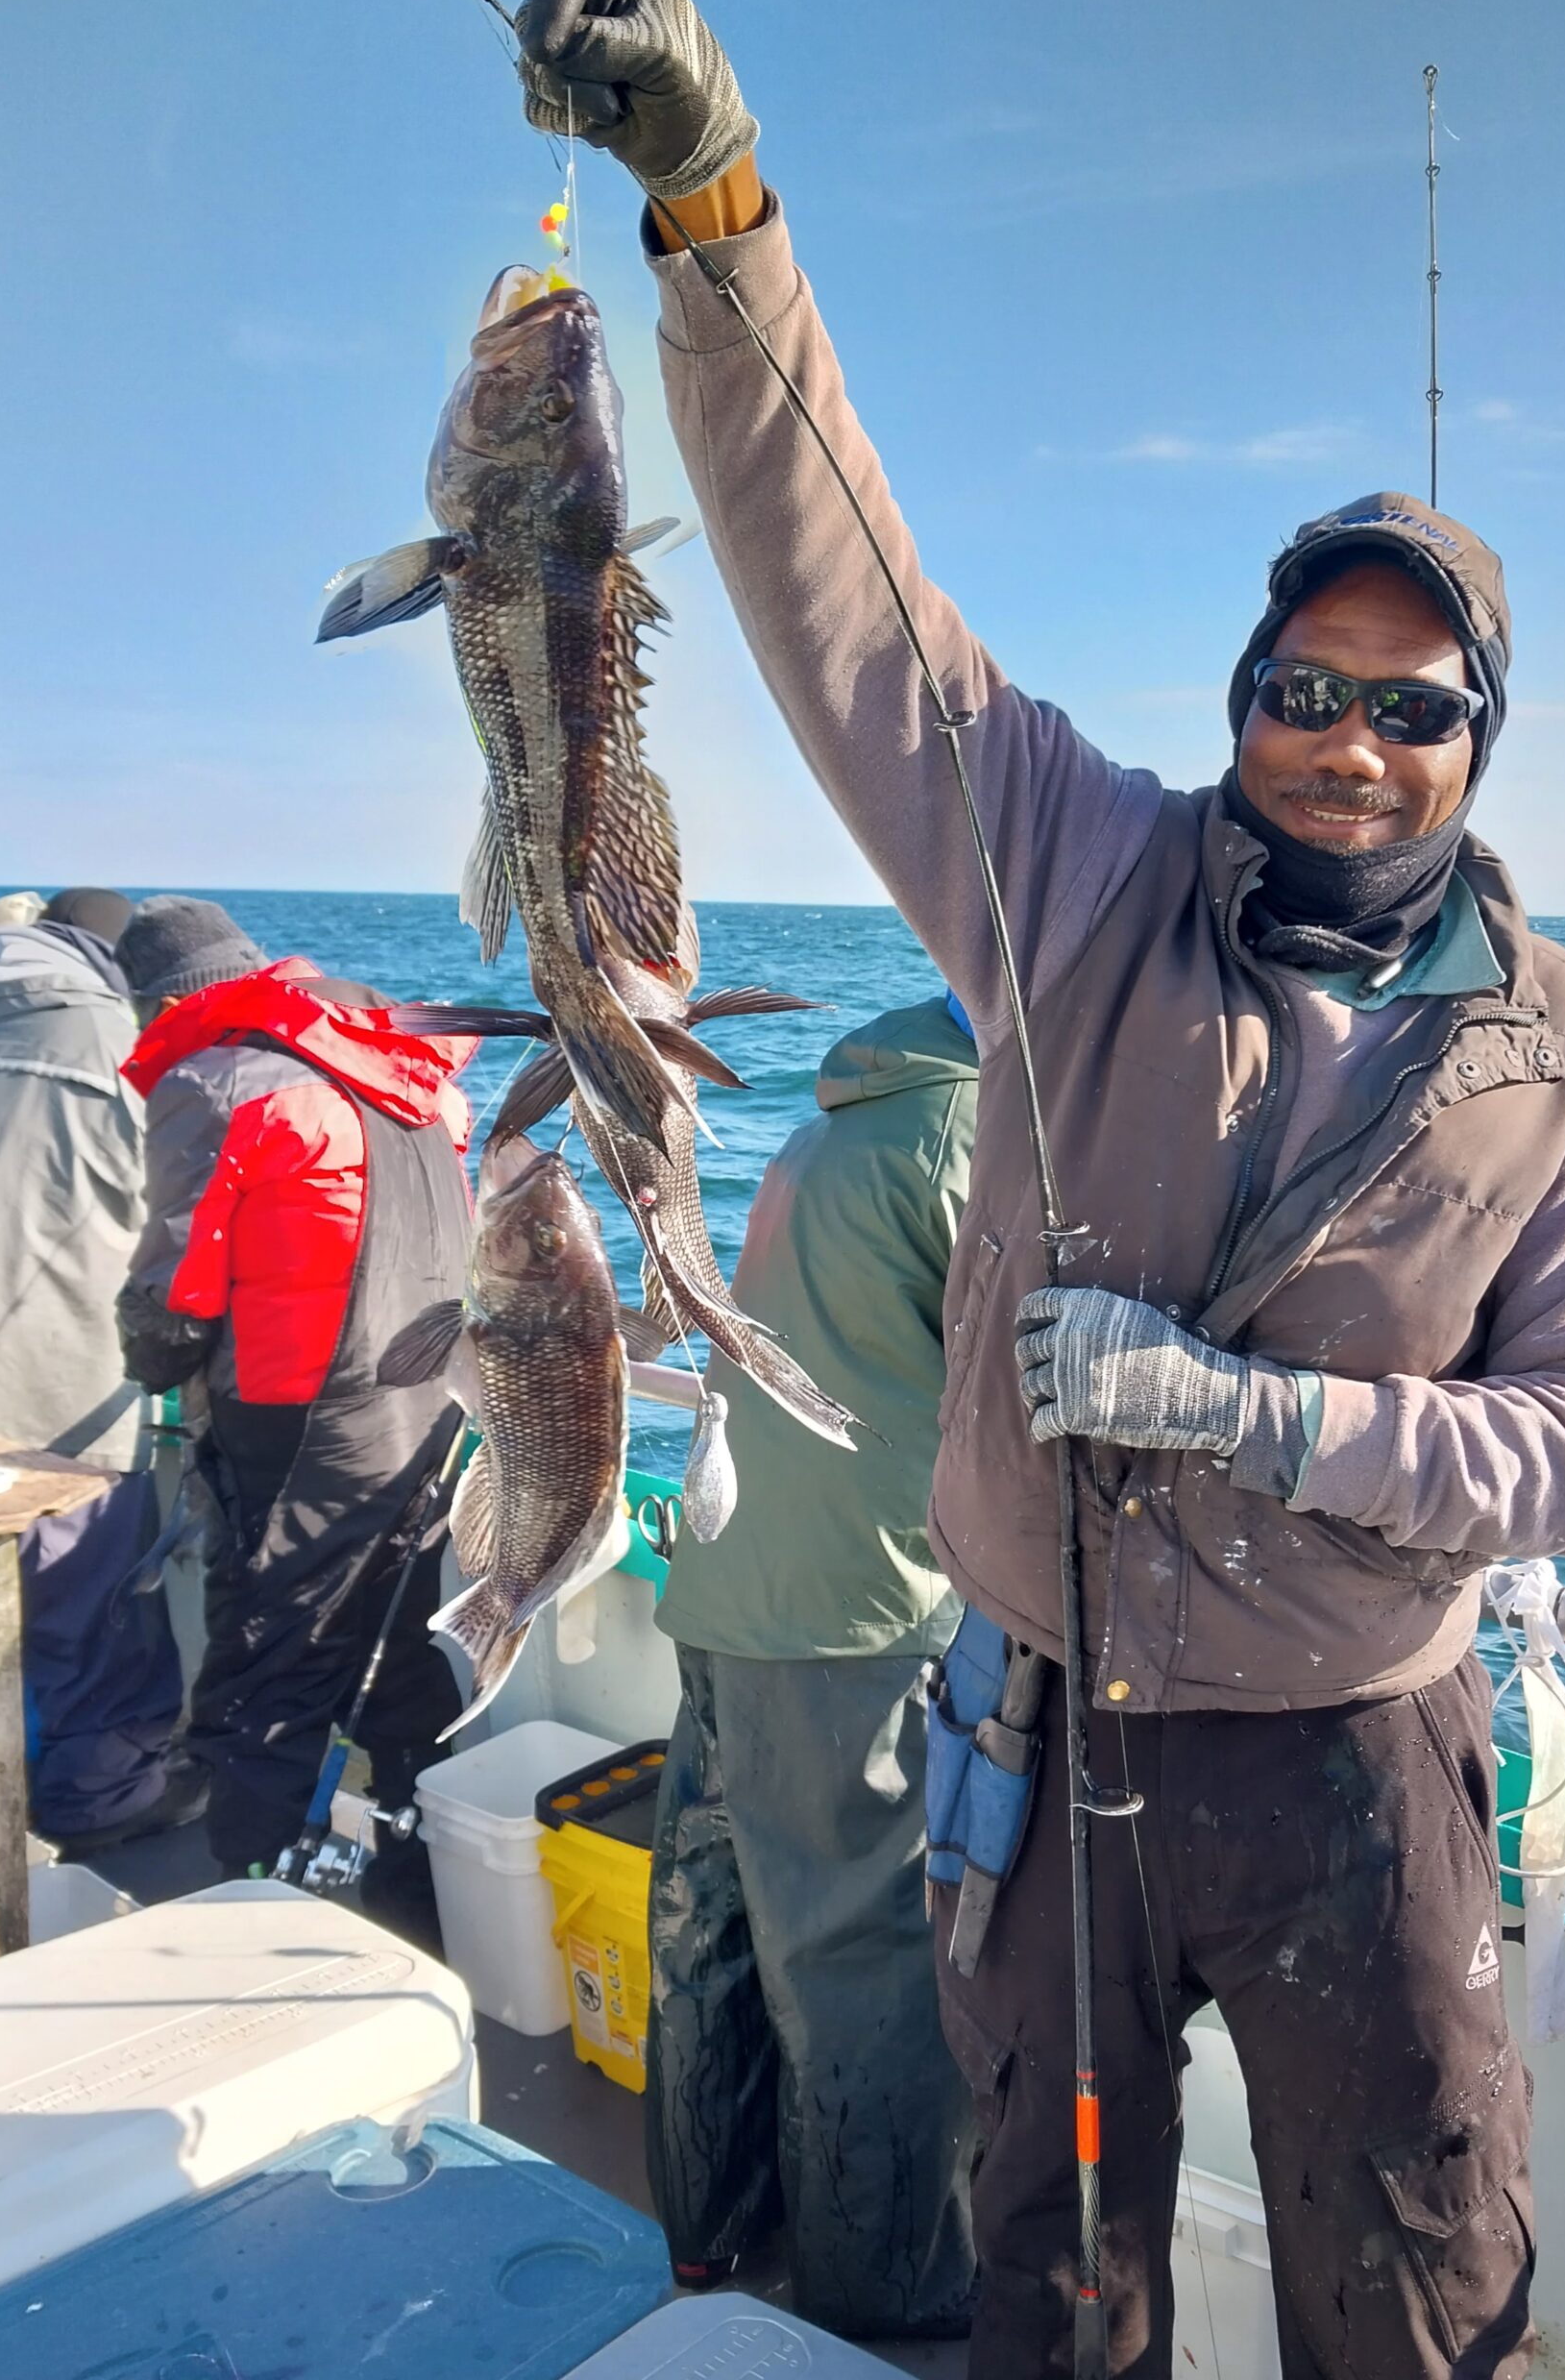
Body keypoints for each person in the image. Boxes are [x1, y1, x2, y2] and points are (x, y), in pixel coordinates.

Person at [512, 0, 1565, 2376]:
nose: (1344, 743)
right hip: (1036, 1737)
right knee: (1046, 2282)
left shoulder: (1563, 1048)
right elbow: (840, 583)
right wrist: (714, 207)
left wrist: (1257, 1417)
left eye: (1407, 707)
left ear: (1477, 742)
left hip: (1362, 1758)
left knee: (1413, 2276)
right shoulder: (1063, 867)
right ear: (1234, 692)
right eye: (1300, 688)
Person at [645, 992, 979, 2339]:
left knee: (711, 1922)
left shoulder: (838, 1119)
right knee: (865, 1965)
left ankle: (709, 2233)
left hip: (734, 1584)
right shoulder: (975, 1137)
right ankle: (878, 2307)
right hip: (859, 1616)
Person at [113, 896, 475, 1942]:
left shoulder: (216, 1080)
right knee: (403, 1657)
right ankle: (417, 1903)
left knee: (270, 1668)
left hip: (298, 1419)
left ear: (168, 1000)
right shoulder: (398, 1067)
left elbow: (173, 1293)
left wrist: (155, 1365)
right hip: (425, 1410)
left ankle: (242, 1921)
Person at [0, 886, 197, 1853]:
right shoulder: (126, 1048)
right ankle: (97, 1802)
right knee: (89, 1605)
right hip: (63, 1381)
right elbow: (176, 1220)